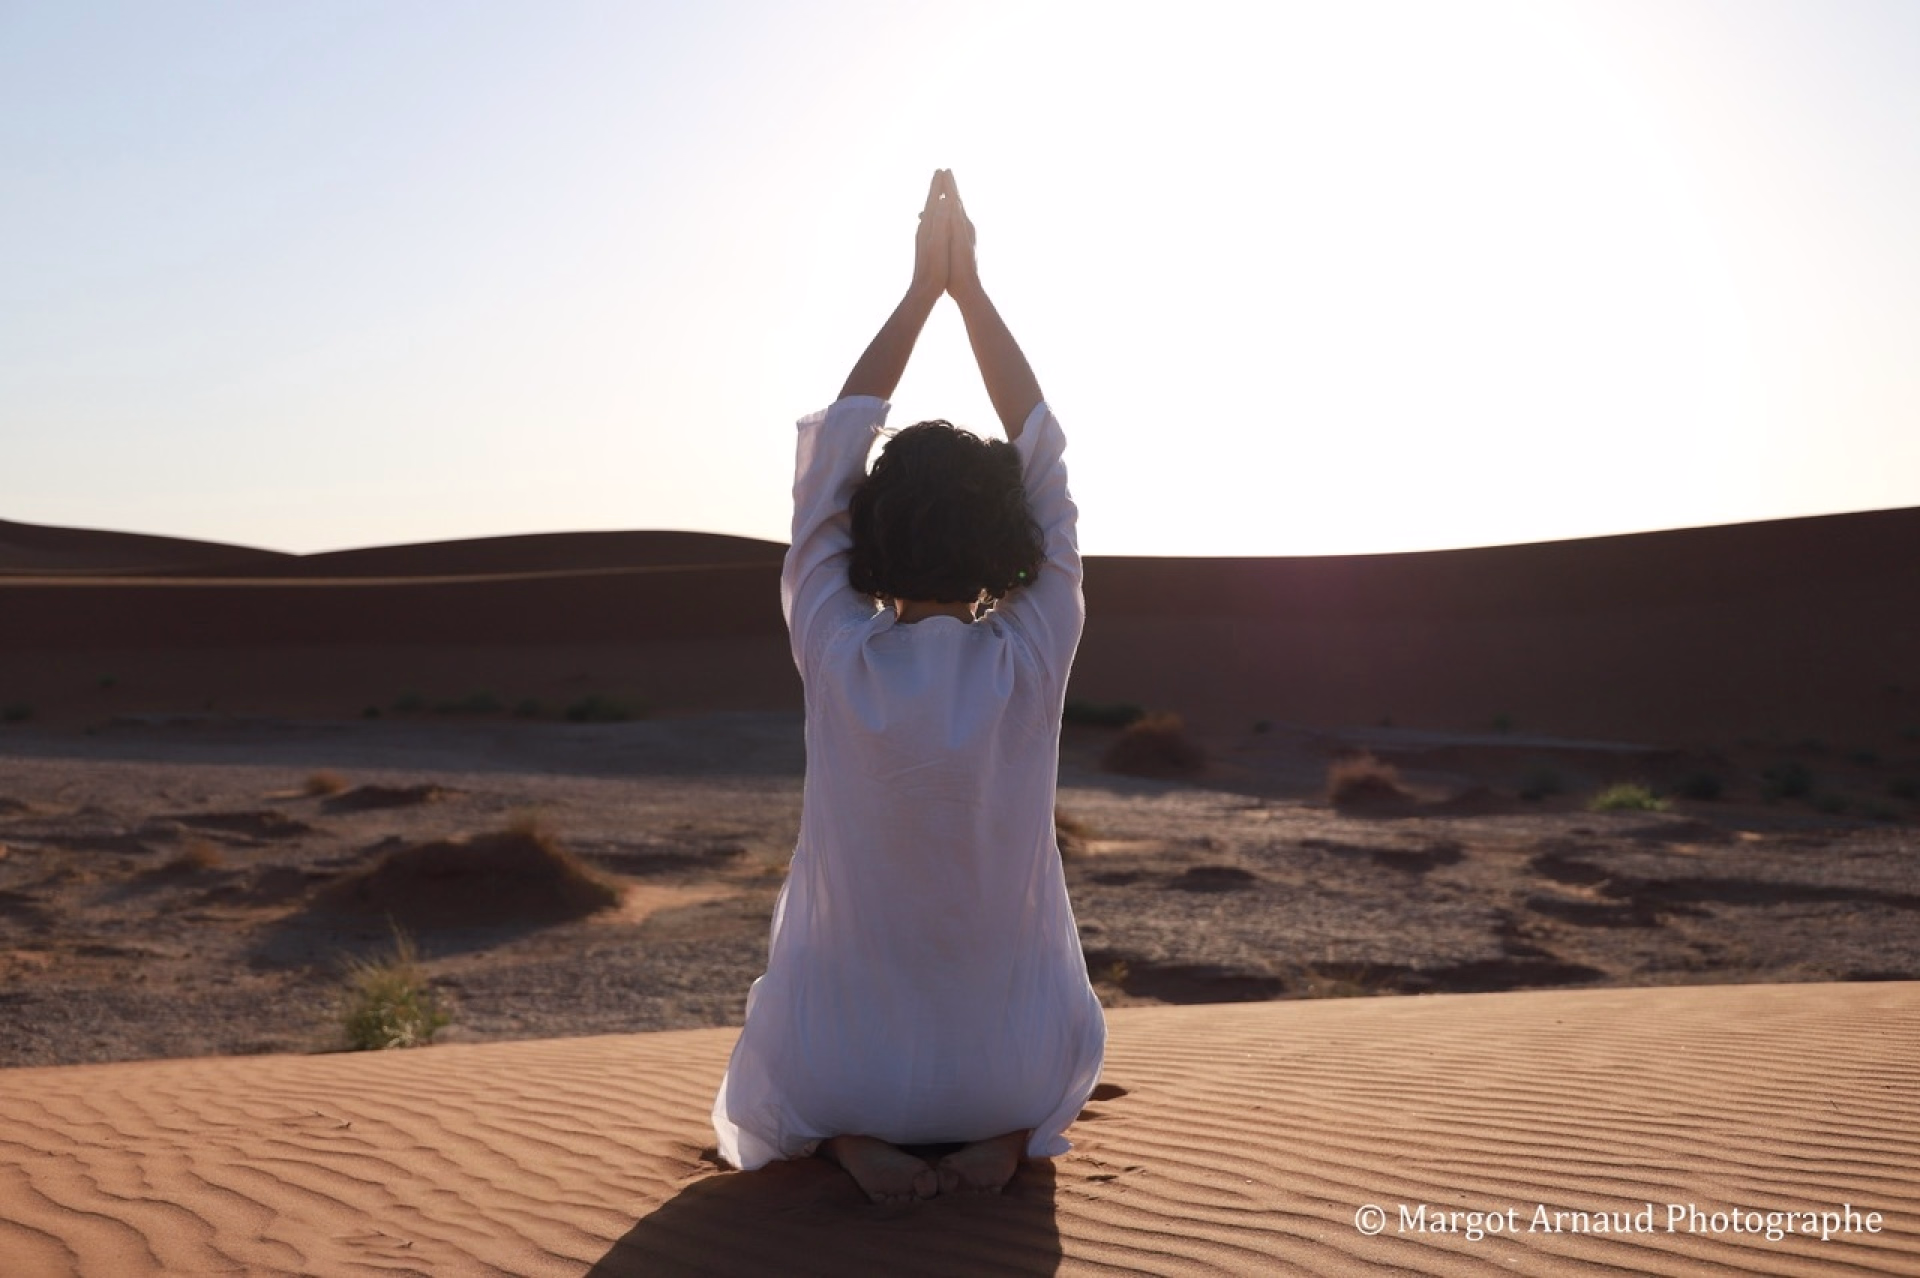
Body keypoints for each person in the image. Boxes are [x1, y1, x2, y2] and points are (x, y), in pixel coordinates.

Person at [711, 169, 1106, 1205]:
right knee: (1052, 1036)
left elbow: (830, 465)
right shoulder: (1035, 649)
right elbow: (1047, 460)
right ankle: (1010, 1141)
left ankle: (847, 1145)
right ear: (1009, 541)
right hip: (1007, 1074)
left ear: (867, 537)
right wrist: (972, 292)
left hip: (841, 1074)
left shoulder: (837, 647)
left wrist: (918, 294)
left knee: (780, 1053)